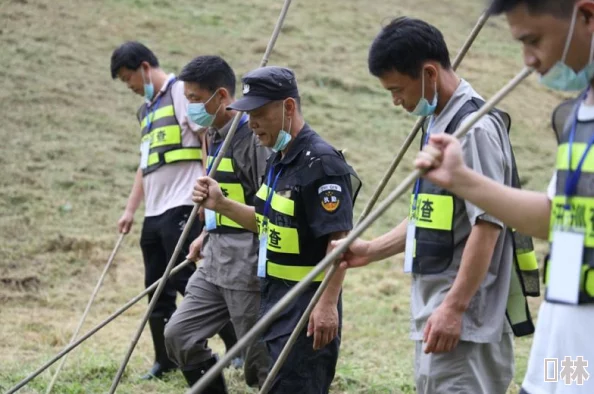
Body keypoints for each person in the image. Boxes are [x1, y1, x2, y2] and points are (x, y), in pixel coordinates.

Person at [332, 17, 539, 393]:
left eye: (397, 89)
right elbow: (432, 216)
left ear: (428, 73)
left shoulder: (472, 128)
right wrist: (371, 249)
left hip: (466, 321)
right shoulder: (438, 123)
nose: (395, 101)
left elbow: (487, 224)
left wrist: (455, 308)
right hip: (437, 311)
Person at [412, 0, 594, 393]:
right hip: (563, 346)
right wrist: (461, 179)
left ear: (588, 16)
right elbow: (552, 218)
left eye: (535, 39)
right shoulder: (575, 114)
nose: (528, 60)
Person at [192, 66, 362, 394]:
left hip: (306, 308)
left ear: (288, 107)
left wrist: (327, 304)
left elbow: (339, 241)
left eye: (259, 114)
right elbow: (265, 221)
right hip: (274, 300)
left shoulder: (321, 164)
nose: (252, 123)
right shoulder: (278, 159)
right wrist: (222, 203)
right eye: (248, 114)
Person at [109, 42, 239, 380]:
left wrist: (206, 193)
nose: (130, 86)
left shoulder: (182, 92)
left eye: (128, 79)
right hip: (154, 211)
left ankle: (235, 345)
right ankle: (164, 359)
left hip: (182, 203)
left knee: (189, 280)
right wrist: (129, 210)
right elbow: (145, 166)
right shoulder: (146, 111)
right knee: (156, 287)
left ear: (143, 67)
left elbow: (206, 139)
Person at [162, 55, 272, 392]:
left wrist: (221, 209)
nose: (190, 107)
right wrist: (208, 232)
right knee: (179, 336)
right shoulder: (213, 134)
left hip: (247, 264)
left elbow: (268, 209)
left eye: (195, 99)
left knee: (261, 362)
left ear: (221, 96)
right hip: (213, 260)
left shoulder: (252, 139)